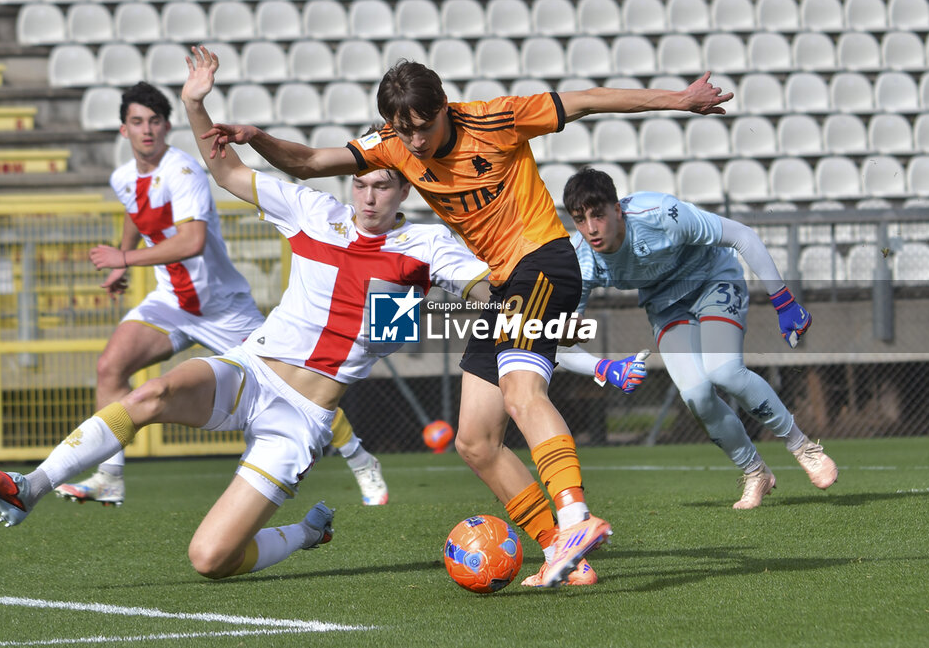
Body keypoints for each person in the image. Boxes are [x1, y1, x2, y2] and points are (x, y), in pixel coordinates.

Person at [201, 58, 732, 586]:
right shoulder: (392, 144)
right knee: (475, 442)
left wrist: (680, 100)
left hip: (543, 262)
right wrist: (257, 137)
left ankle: (574, 517)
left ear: (443, 109)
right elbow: (311, 161)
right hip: (503, 287)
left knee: (522, 393)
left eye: (423, 128)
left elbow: (588, 99)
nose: (414, 142)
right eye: (403, 131)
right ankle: (562, 554)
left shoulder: (495, 120)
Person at [0, 48, 492, 580]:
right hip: (252, 370)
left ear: (405, 186)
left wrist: (488, 318)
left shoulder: (425, 244)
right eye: (361, 183)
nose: (369, 195)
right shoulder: (315, 212)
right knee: (150, 393)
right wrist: (195, 104)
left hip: (301, 420)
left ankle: (307, 532)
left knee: (210, 560)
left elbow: (482, 288)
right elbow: (227, 170)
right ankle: (29, 487)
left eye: (383, 185)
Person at [55, 81, 388, 509]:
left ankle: (360, 460)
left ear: (167, 126)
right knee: (109, 367)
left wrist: (123, 258)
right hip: (171, 302)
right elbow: (136, 213)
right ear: (124, 130)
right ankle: (109, 477)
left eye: (155, 121)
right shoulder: (123, 177)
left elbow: (191, 242)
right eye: (137, 122)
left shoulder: (184, 172)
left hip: (223, 308)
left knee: (296, 387)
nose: (147, 130)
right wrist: (126, 257)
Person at [556, 166, 838, 509]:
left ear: (617, 209)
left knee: (725, 372)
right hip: (664, 307)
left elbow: (743, 236)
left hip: (713, 281)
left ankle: (802, 447)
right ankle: (755, 472)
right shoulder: (580, 261)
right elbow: (560, 340)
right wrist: (604, 368)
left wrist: (783, 300)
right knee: (697, 396)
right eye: (580, 220)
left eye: (598, 215)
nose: (591, 229)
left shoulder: (661, 214)